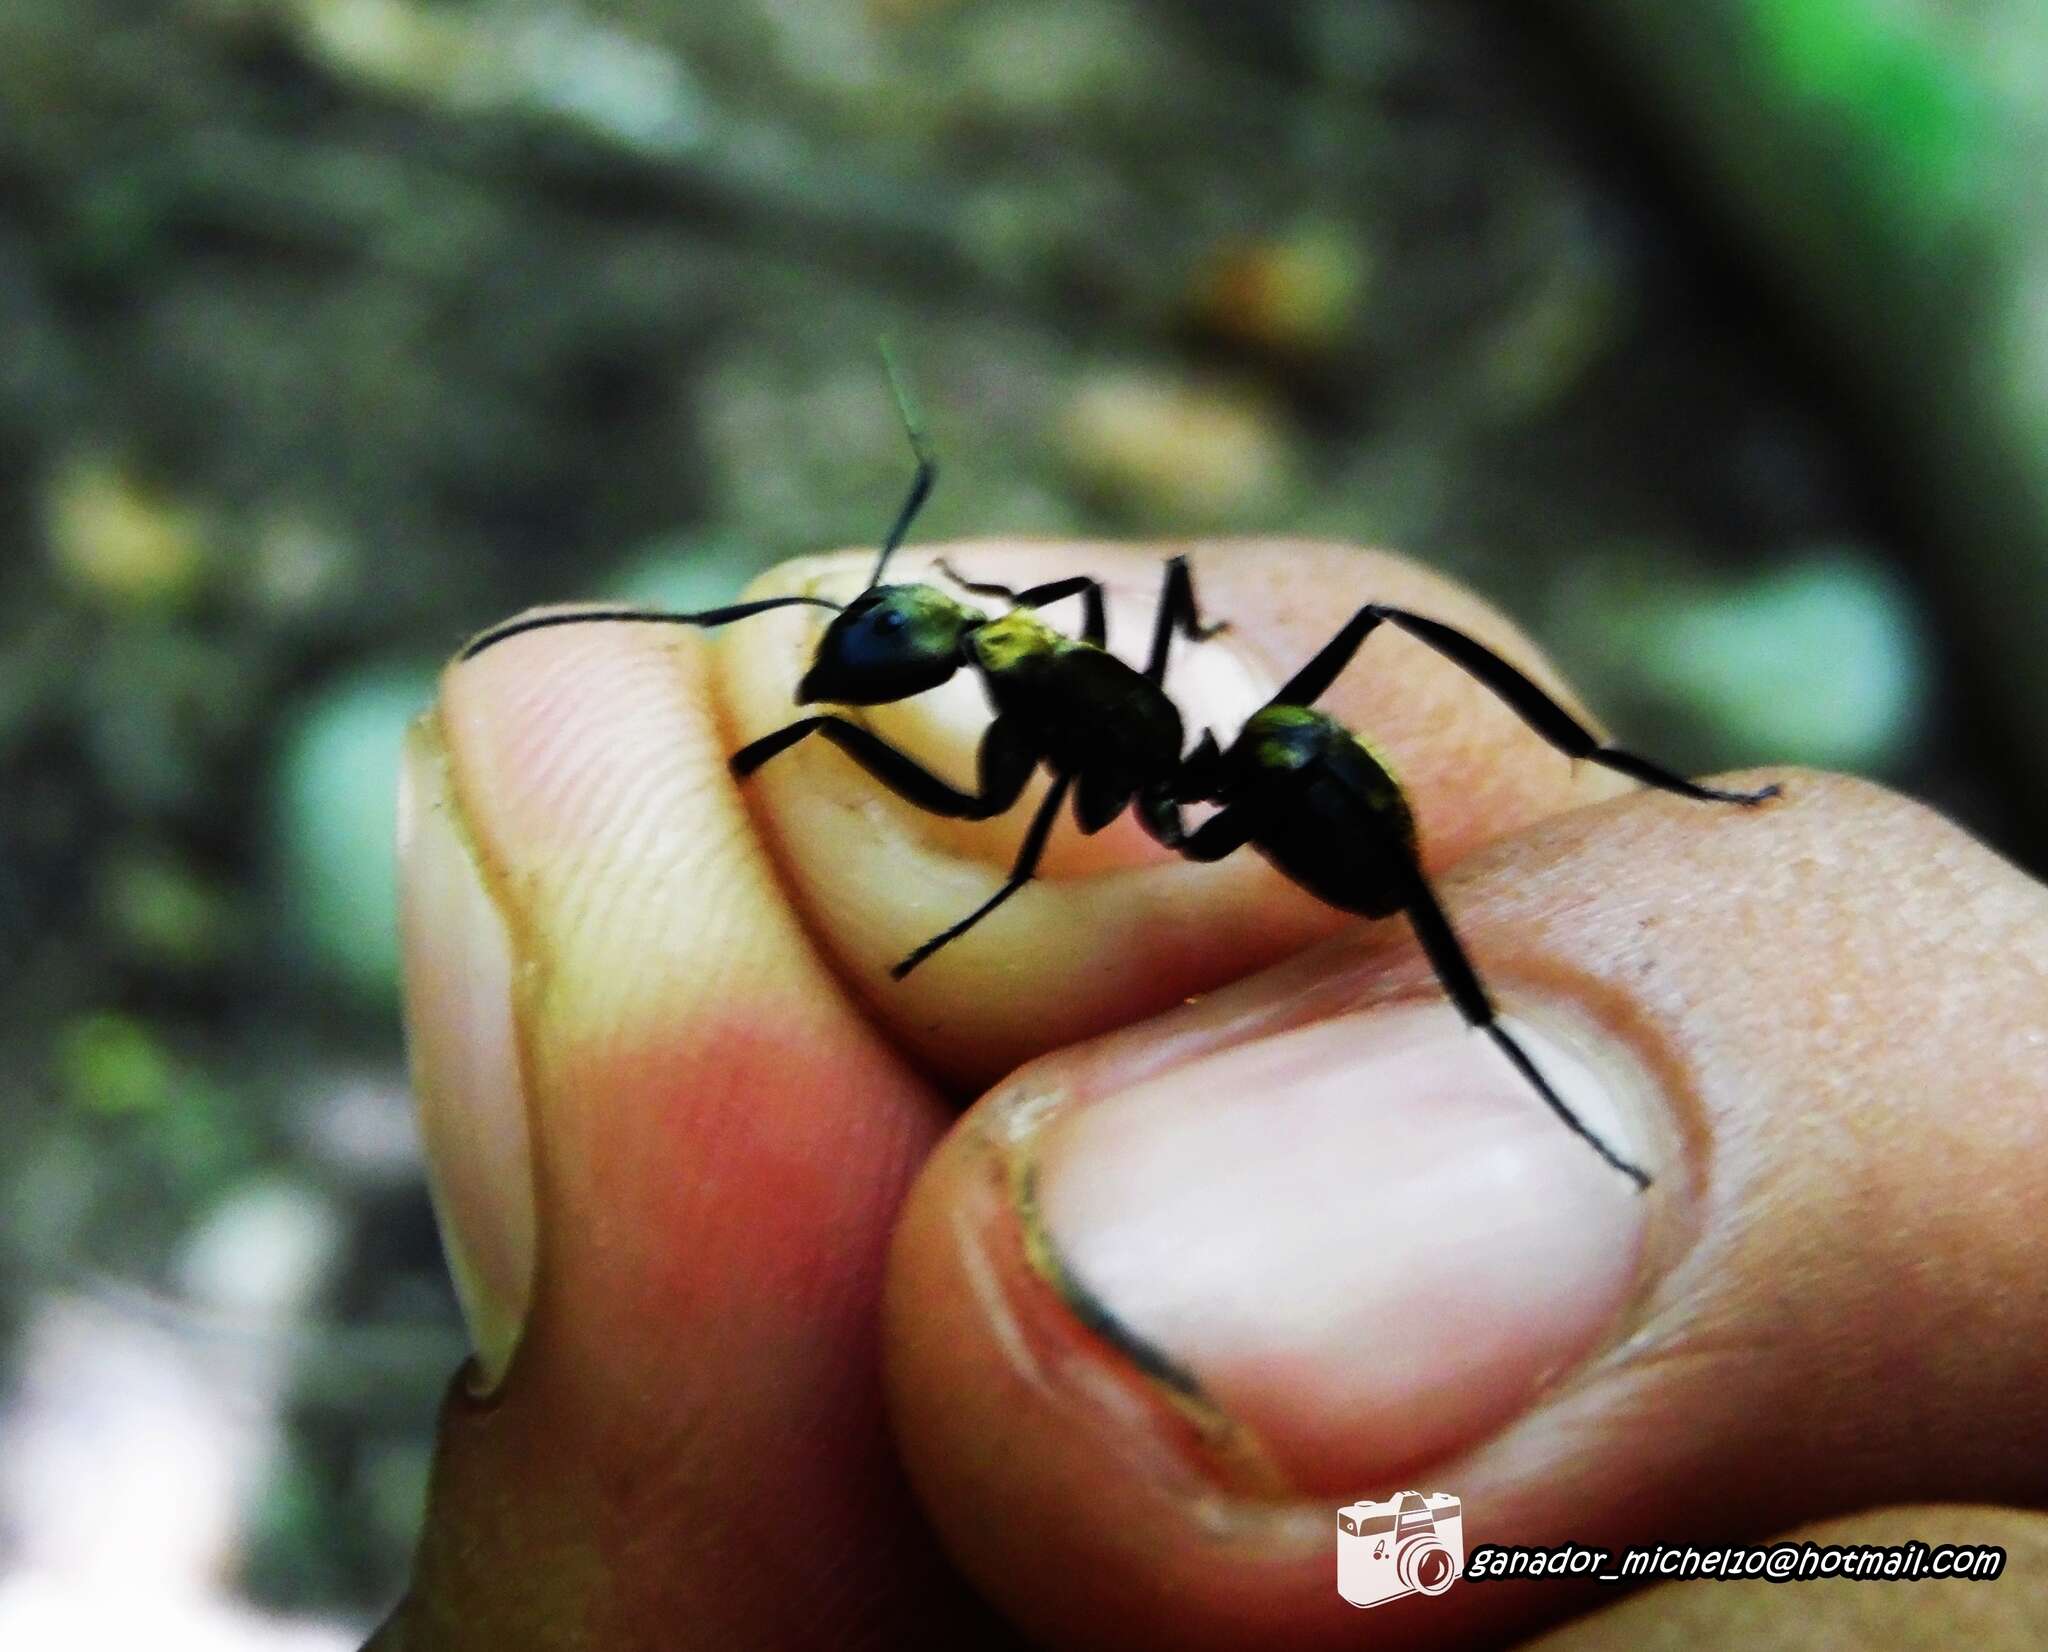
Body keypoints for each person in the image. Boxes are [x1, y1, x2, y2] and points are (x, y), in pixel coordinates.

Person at [377, 540, 2048, 1650]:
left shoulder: (1062, 690)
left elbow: (1038, 801)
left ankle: (1560, 947)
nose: (874, 680)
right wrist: (836, 737)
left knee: (1372, 678)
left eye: (886, 665)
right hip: (1228, 804)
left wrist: (897, 786)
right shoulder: (1033, 664)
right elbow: (1037, 779)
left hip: (1295, 800)